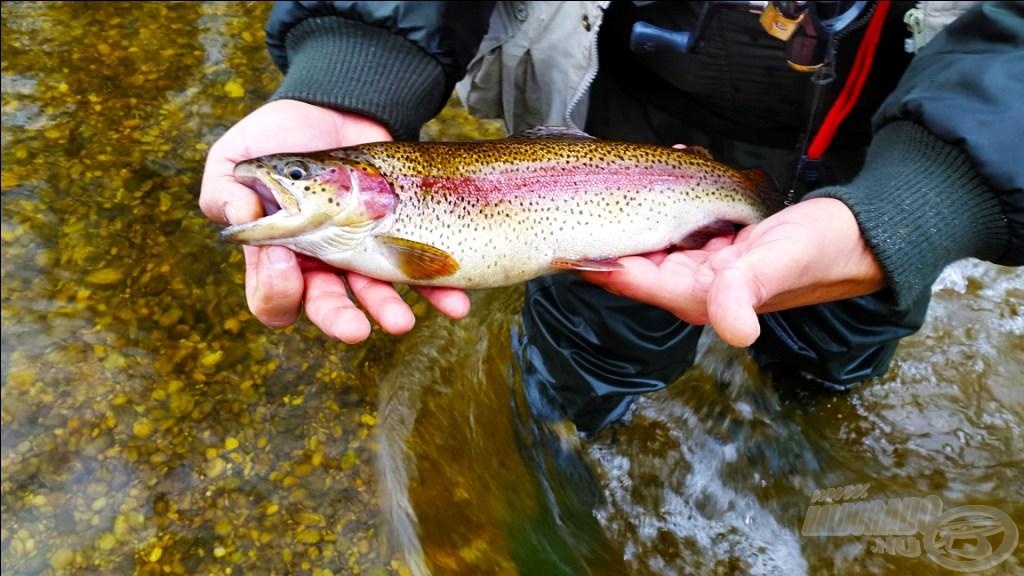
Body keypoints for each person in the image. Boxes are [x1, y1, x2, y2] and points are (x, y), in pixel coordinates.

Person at [200, 1, 1023, 434]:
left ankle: (812, 410)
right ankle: (570, 436)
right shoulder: (378, 206)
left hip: (884, 150)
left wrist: (930, 202)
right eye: (300, 181)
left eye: (301, 179)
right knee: (592, 334)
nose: (288, 187)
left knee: (840, 330)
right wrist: (358, 64)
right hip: (612, 117)